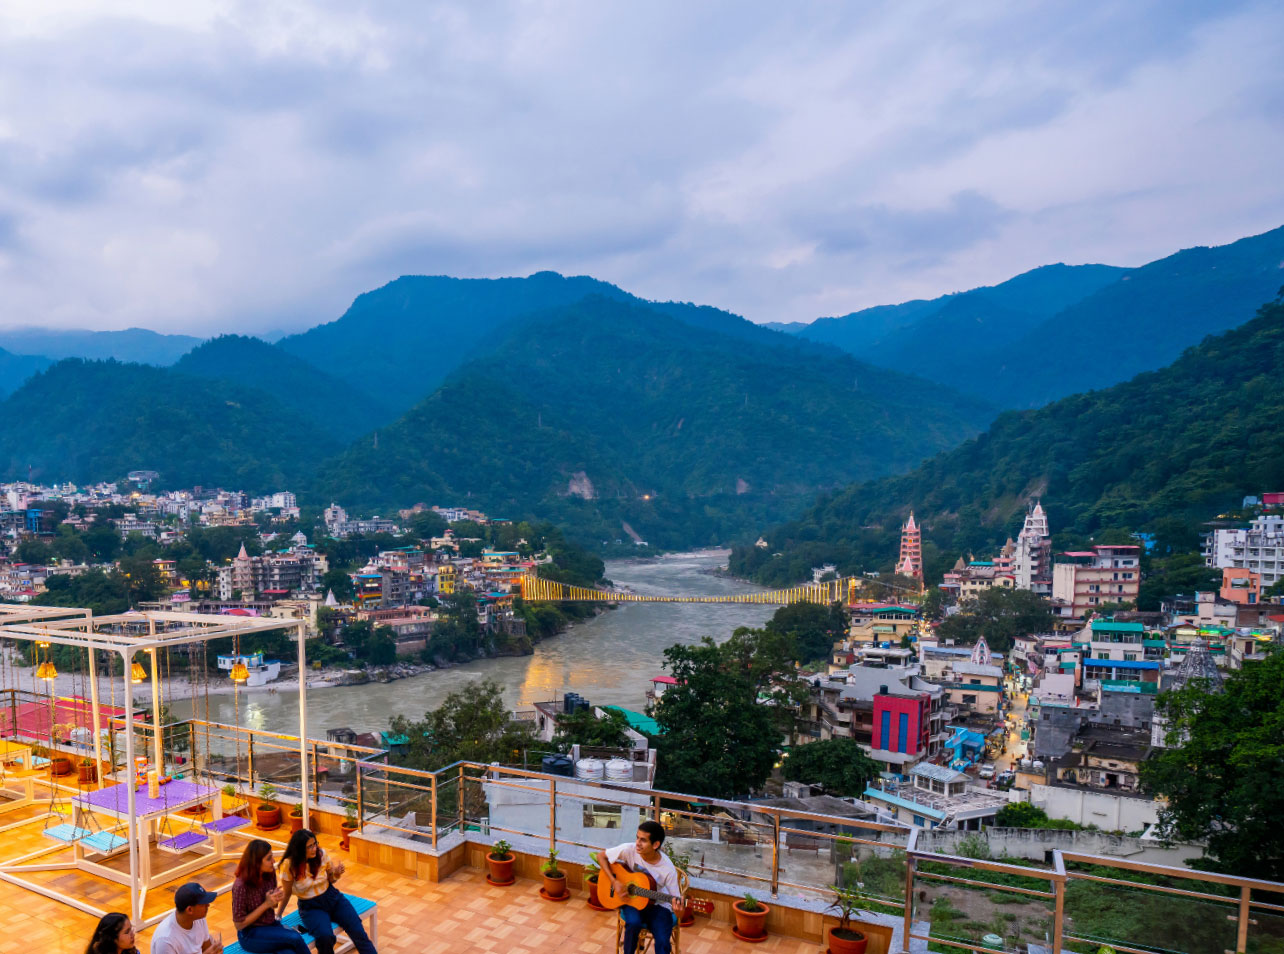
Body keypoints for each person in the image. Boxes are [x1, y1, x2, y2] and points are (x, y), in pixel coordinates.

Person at [276, 829, 377, 954]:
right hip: (311, 907)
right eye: (309, 846)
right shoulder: (289, 865)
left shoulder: (321, 854)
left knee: (357, 930)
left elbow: (331, 880)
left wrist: (336, 874)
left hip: (332, 897)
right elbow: (287, 893)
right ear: (300, 848)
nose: (314, 849)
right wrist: (278, 915)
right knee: (325, 937)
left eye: (315, 844)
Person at [594, 821, 682, 954]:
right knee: (633, 924)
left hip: (658, 906)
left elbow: (678, 906)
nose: (637, 843)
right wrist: (614, 882)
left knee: (663, 941)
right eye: (637, 838)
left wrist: (679, 909)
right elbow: (601, 856)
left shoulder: (667, 869)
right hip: (631, 900)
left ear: (656, 844)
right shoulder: (629, 850)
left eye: (643, 840)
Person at [232, 840, 309, 954]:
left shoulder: (270, 873)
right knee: (295, 938)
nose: (273, 861)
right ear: (256, 862)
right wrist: (266, 904)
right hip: (250, 935)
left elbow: (273, 906)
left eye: (272, 857)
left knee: (289, 952)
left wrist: (274, 900)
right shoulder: (240, 886)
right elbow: (239, 924)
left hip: (270, 925)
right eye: (269, 859)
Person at [150, 882, 224, 954]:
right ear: (190, 910)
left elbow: (206, 947)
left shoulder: (199, 918)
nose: (208, 905)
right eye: (203, 904)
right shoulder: (165, 940)